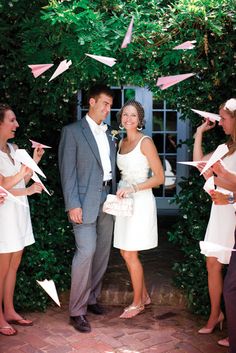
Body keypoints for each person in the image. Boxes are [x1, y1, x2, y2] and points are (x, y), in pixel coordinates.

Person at [58, 84, 116, 333]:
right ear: (91, 102)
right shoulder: (72, 132)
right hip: (83, 201)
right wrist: (72, 204)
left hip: (107, 198)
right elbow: (66, 171)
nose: (107, 109)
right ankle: (77, 311)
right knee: (86, 252)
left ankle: (92, 298)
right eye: (104, 103)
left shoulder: (109, 133)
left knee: (102, 253)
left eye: (110, 105)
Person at [113, 100, 164, 319]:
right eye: (125, 114)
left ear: (140, 119)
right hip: (124, 201)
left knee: (131, 252)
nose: (128, 119)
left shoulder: (146, 142)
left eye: (133, 115)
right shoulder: (120, 142)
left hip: (140, 200)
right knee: (125, 251)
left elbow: (160, 178)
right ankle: (144, 296)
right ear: (121, 118)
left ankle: (137, 303)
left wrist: (134, 187)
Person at [193, 98, 236, 334]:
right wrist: (199, 132)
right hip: (219, 213)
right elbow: (200, 164)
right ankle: (214, 315)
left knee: (234, 274)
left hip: (234, 212)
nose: (220, 123)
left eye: (224, 118)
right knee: (212, 264)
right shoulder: (224, 148)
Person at [0, 104, 44, 336]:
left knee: (14, 264)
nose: (16, 125)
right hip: (3, 217)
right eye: (12, 120)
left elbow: (20, 182)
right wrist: (23, 179)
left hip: (18, 213)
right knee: (2, 268)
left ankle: (9, 310)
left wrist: (34, 161)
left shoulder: (14, 148)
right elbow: (2, 185)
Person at [210, 159, 236, 352]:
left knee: (231, 288)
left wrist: (223, 175)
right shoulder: (226, 148)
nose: (220, 125)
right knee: (231, 287)